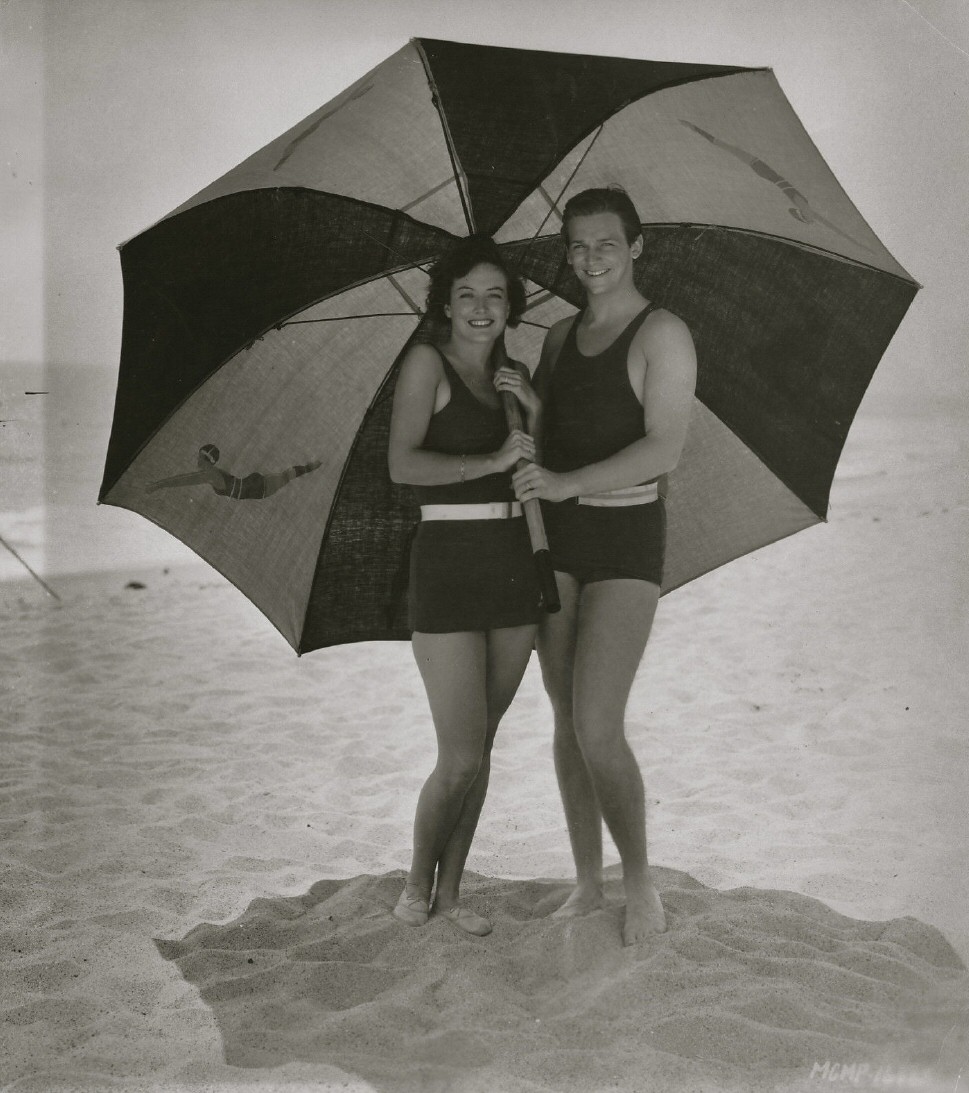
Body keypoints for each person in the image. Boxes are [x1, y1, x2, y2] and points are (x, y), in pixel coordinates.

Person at [512, 187, 697, 946]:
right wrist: (525, 405)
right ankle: (588, 882)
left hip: (625, 541)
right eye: (577, 246)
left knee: (597, 721)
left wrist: (563, 483)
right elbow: (557, 436)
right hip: (556, 540)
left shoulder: (664, 334)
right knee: (563, 716)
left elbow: (664, 448)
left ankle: (640, 880)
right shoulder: (557, 338)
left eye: (606, 245)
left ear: (636, 245)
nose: (589, 261)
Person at [387, 236, 542, 937]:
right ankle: (415, 887)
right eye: (468, 295)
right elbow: (402, 465)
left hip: (514, 560)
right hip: (447, 564)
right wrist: (491, 454)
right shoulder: (427, 362)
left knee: (485, 743)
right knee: (460, 754)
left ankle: (452, 897)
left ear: (511, 306)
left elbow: (539, 467)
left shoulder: (514, 374)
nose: (482, 308)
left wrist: (534, 414)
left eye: (496, 295)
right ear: (445, 304)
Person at [144, 444, 321, 500]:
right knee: (287, 475)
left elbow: (181, 480)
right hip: (258, 485)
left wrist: (157, 486)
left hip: (260, 487)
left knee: (287, 475)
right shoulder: (212, 472)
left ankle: (310, 467)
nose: (196, 461)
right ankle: (309, 467)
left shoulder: (209, 474)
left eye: (199, 458)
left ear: (205, 459)